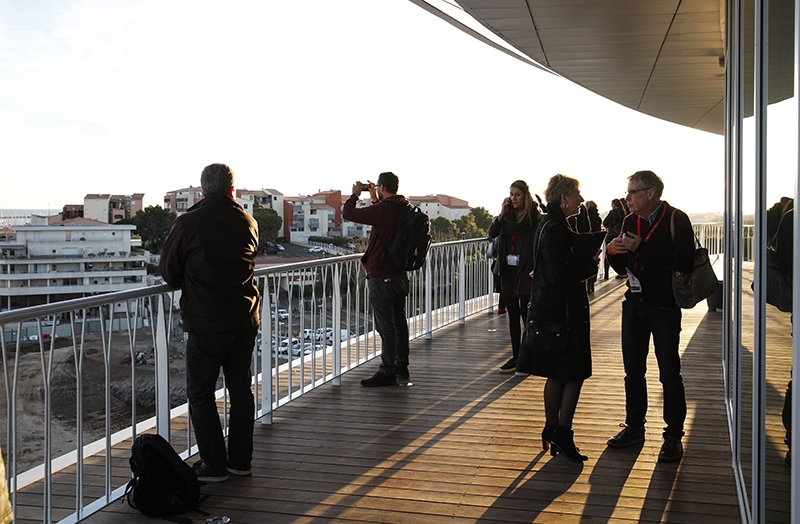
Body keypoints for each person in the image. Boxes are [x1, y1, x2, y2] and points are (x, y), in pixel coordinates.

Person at [160, 163, 260, 482]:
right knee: (240, 390)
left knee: (201, 394)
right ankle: (240, 461)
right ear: (232, 190)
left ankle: (214, 464)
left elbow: (169, 272)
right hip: (244, 318)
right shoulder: (248, 220)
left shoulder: (188, 222)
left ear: (202, 191)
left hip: (207, 323)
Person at [605, 170, 695, 463]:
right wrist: (612, 252)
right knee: (633, 372)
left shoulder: (676, 219)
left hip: (665, 306)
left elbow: (684, 261)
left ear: (650, 193)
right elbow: (623, 267)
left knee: (669, 373)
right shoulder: (630, 221)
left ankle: (672, 437)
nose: (627, 197)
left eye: (632, 192)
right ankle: (635, 427)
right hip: (634, 304)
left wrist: (641, 247)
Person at [520, 174, 599, 462]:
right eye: (576, 194)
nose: (580, 199)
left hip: (551, 311)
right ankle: (562, 432)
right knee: (573, 373)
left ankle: (552, 428)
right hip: (563, 313)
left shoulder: (549, 224)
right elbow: (558, 275)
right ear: (563, 199)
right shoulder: (555, 228)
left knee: (556, 373)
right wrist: (589, 265)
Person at [342, 172, 412, 387]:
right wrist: (375, 197)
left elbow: (348, 213)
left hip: (381, 274)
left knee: (385, 325)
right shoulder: (405, 207)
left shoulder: (382, 210)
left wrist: (355, 195)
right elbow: (386, 223)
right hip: (400, 274)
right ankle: (401, 366)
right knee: (399, 321)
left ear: (381, 187)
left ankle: (387, 370)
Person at [488, 180, 541, 373]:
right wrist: (501, 214)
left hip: (526, 271)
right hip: (507, 272)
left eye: (517, 194)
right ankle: (517, 357)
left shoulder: (534, 217)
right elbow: (491, 233)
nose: (513, 198)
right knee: (512, 316)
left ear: (525, 195)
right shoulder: (506, 218)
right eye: (511, 194)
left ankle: (529, 357)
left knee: (527, 317)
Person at [603, 199, 627, 280]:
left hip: (611, 235)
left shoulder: (612, 212)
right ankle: (622, 272)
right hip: (619, 235)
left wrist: (610, 225)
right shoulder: (623, 212)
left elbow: (605, 222)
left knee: (608, 253)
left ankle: (606, 274)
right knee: (620, 253)